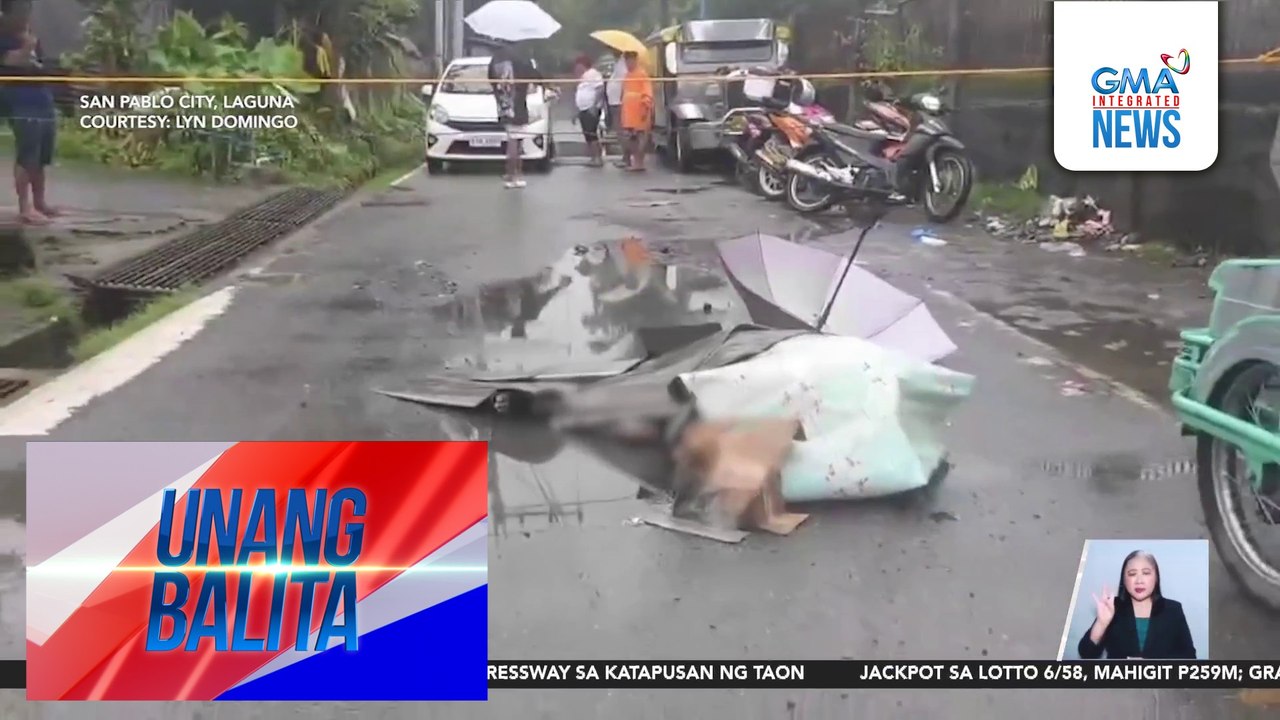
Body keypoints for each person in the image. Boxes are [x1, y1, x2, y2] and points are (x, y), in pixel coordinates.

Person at [1077, 550, 1197, 660]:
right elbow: (1086, 653)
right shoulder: (1112, 606)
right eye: (1132, 574)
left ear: (1156, 578)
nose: (1139, 580)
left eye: (1146, 573)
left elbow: (1189, 656)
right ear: (1124, 580)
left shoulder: (1173, 609)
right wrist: (1101, 624)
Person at [0, 0, 56, 224]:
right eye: (21, 10)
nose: (26, 15)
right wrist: (27, 47)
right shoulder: (4, 36)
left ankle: (40, 202)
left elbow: (38, 62)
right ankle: (25, 207)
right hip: (20, 99)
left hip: (41, 95)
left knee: (42, 154)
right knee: (27, 153)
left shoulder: (29, 34)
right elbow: (10, 61)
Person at [488, 42, 542, 189]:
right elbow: (534, 75)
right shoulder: (519, 58)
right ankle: (514, 177)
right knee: (515, 143)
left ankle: (510, 173)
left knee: (513, 140)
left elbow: (490, 79)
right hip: (517, 105)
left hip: (503, 104)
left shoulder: (496, 59)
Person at [618, 51, 653, 172]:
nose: (629, 63)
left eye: (631, 60)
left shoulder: (642, 74)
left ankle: (639, 162)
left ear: (635, 60)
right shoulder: (627, 75)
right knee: (631, 138)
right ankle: (635, 161)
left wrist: (645, 108)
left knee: (640, 136)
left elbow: (647, 93)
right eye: (627, 61)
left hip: (639, 110)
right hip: (628, 112)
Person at [572, 54, 604, 167]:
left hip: (591, 108)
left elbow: (600, 89)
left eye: (578, 65)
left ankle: (598, 158)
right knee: (588, 134)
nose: (576, 68)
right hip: (583, 109)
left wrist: (594, 106)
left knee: (592, 133)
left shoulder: (593, 74)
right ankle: (593, 157)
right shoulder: (583, 77)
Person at [605, 53, 628, 167]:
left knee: (621, 130)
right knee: (619, 130)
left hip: (619, 102)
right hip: (615, 101)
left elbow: (624, 82)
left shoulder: (622, 65)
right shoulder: (618, 63)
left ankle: (626, 157)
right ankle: (625, 157)